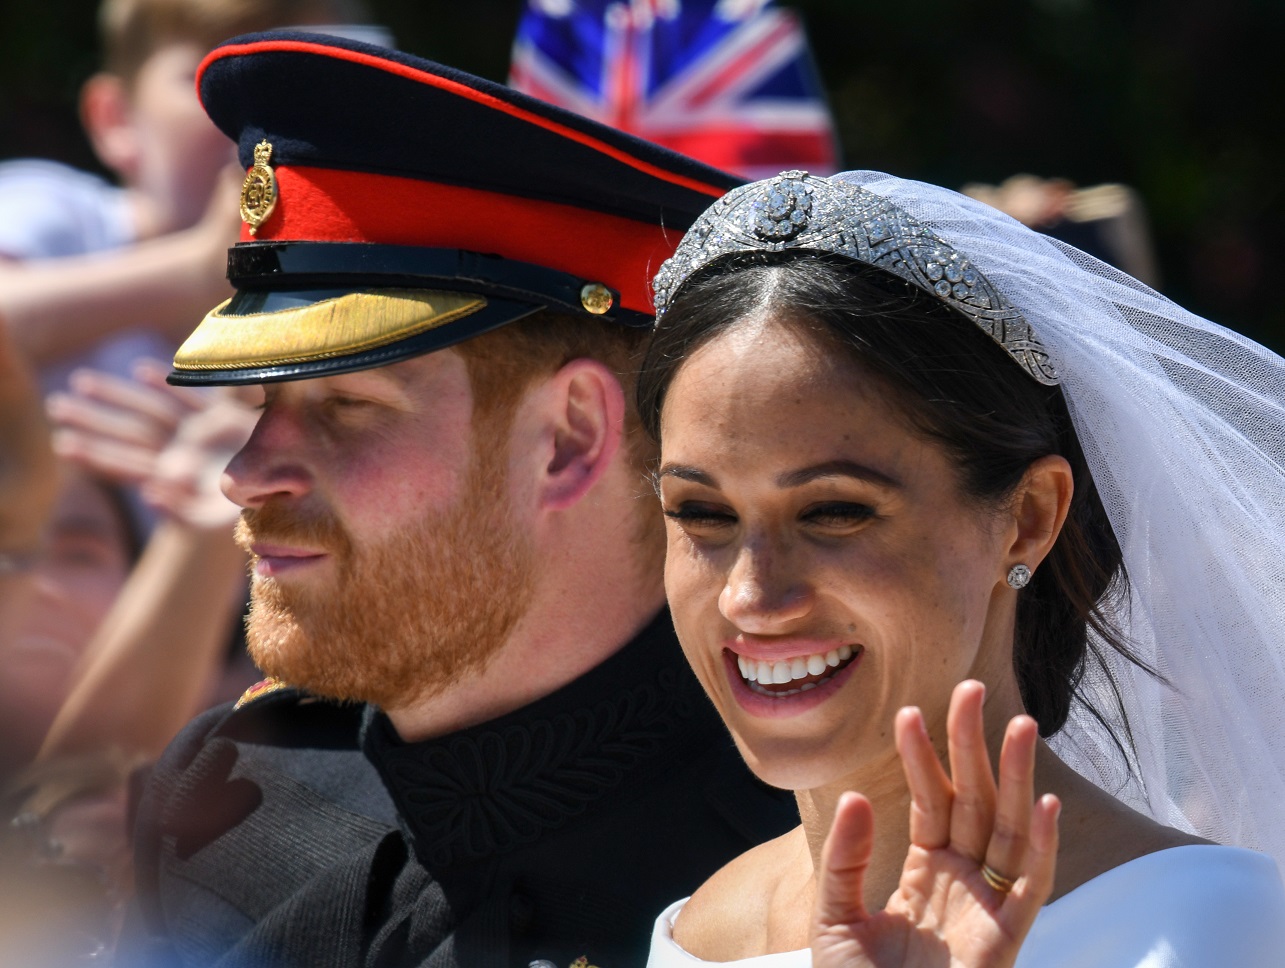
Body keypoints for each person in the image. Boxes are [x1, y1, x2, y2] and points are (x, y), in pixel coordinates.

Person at [120, 31, 796, 968]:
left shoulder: (798, 857)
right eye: (265, 402)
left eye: (347, 408)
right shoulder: (229, 784)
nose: (245, 472)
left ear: (570, 437)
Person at [636, 170, 1285, 965]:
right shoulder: (699, 931)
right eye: (702, 515)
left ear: (1027, 519)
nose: (751, 595)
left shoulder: (1210, 929)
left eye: (834, 512)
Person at [0, 0, 385, 392]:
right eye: (213, 79)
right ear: (115, 119)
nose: (266, 113)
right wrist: (201, 269)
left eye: (308, 87)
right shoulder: (56, 210)